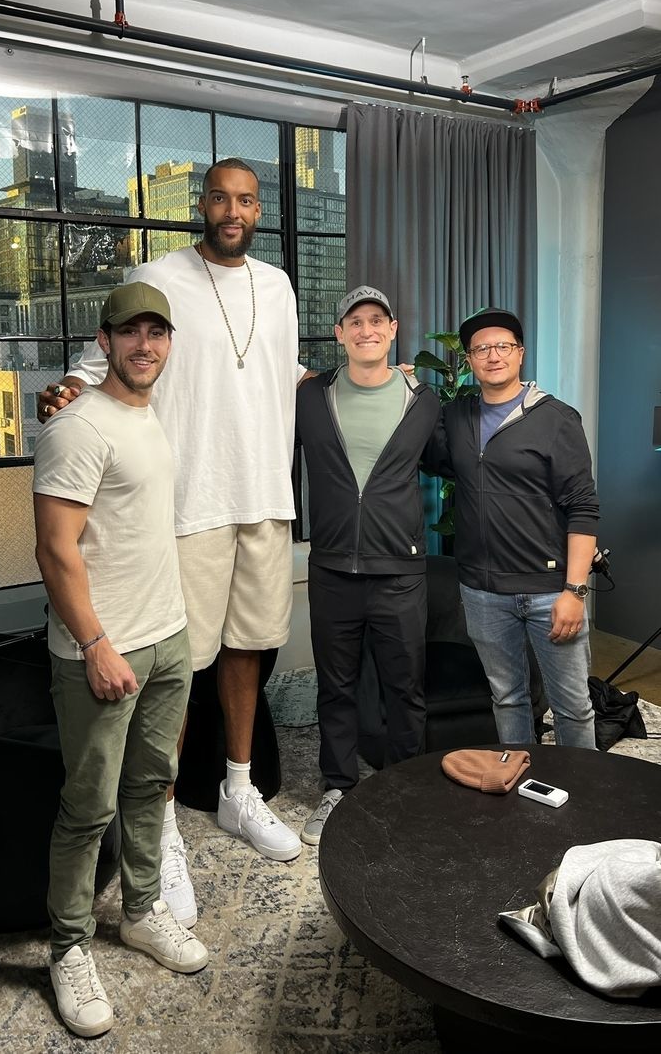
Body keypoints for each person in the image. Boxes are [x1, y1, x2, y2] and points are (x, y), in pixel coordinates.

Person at [37, 159, 302, 926]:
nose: (232, 209)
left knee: (250, 647)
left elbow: (281, 374)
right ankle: (164, 830)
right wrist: (61, 392)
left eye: (246, 199)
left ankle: (236, 790)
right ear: (202, 204)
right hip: (189, 502)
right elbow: (105, 364)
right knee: (179, 672)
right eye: (219, 196)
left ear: (259, 210)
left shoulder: (279, 286)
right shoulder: (160, 273)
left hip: (263, 494)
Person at [33, 283, 209, 1039]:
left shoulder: (149, 412)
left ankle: (140, 910)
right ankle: (68, 945)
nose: (146, 345)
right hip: (102, 648)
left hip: (168, 636)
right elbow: (54, 548)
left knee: (151, 787)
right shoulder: (76, 426)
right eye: (130, 333)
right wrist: (96, 644)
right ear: (103, 341)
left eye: (157, 333)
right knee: (88, 806)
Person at [295, 286, 441, 843]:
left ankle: (405, 788)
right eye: (354, 322)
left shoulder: (422, 400)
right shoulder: (311, 398)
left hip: (399, 572)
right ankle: (337, 787)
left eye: (376, 320)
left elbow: (454, 462)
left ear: (393, 329)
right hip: (332, 569)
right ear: (339, 334)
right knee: (336, 686)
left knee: (404, 688)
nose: (366, 330)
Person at [434, 307, 597, 748]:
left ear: (520, 354)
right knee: (507, 698)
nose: (493, 355)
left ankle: (582, 798)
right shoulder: (457, 417)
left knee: (573, 706)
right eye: (481, 348)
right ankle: (520, 784)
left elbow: (583, 507)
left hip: (550, 591)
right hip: (484, 592)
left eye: (503, 346)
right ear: (468, 359)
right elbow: (426, 456)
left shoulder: (557, 419)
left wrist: (575, 591)